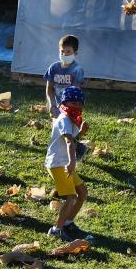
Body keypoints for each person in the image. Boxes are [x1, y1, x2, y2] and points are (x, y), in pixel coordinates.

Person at [45, 85, 89, 241]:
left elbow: (72, 139)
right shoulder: (64, 118)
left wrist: (82, 132)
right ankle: (56, 229)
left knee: (82, 193)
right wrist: (72, 163)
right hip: (59, 163)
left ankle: (68, 223)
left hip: (65, 162)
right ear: (65, 103)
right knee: (71, 197)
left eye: (79, 103)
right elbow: (69, 143)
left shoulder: (71, 119)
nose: (76, 106)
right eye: (73, 103)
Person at [44, 34, 85, 117]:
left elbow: (75, 94)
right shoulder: (53, 68)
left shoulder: (77, 70)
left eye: (68, 51)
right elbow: (49, 89)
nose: (64, 54)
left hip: (70, 107)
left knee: (68, 127)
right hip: (55, 106)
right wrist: (52, 104)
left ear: (75, 52)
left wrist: (64, 108)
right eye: (62, 51)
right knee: (56, 126)